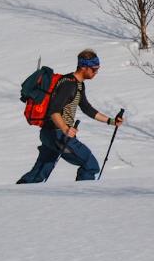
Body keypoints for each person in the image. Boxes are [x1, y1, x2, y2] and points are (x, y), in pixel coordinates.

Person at [17, 49, 124, 183]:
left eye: (98, 69)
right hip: (59, 135)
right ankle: (82, 199)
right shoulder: (69, 84)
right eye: (94, 69)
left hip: (49, 133)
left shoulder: (78, 84)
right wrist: (65, 129)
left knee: (39, 173)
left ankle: (18, 196)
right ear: (83, 67)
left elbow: (86, 108)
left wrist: (111, 121)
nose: (96, 72)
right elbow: (54, 111)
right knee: (90, 165)